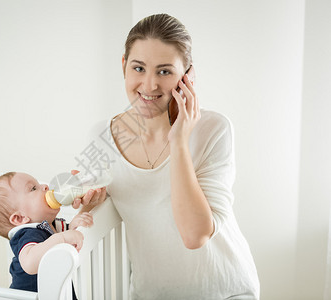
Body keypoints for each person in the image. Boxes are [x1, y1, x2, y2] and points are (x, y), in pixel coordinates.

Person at [86, 13, 260, 299]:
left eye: (165, 71)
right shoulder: (102, 137)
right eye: (139, 68)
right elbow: (88, 211)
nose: (150, 85)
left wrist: (178, 141)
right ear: (123, 66)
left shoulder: (214, 129)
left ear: (187, 76)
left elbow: (195, 236)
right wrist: (84, 202)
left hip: (227, 291)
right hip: (150, 293)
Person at [0, 171, 104, 296]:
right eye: (33, 188)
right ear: (19, 218)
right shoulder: (27, 234)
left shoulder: (50, 225)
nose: (45, 186)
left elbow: (71, 237)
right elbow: (29, 263)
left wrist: (76, 223)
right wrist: (62, 238)